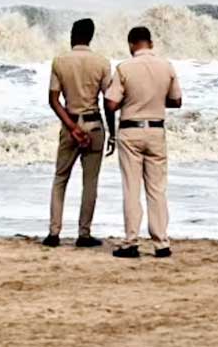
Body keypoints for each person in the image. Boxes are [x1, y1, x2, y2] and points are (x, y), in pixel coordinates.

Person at [105, 27, 182, 259]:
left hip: (131, 130)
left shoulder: (124, 68)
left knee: (132, 188)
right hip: (156, 129)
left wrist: (130, 101)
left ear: (131, 44)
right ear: (151, 43)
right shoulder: (166, 66)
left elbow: (110, 104)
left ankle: (131, 241)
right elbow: (176, 100)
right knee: (157, 188)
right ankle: (161, 242)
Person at [42, 18, 115, 248]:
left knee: (60, 178)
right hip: (94, 124)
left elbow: (54, 100)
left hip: (70, 122)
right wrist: (112, 133)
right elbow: (109, 101)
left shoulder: (60, 61)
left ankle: (54, 232)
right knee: (90, 182)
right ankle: (84, 233)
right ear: (91, 36)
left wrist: (73, 127)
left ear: (73, 34)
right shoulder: (102, 63)